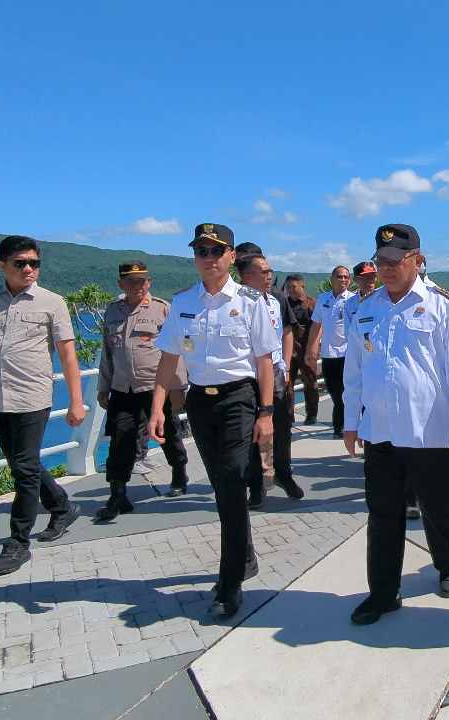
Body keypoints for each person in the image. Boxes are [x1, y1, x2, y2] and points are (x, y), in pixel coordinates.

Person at [343, 223, 449, 625]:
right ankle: (382, 593)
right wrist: (351, 422)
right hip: (380, 432)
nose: (385, 268)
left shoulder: (441, 305)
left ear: (416, 260)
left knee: (440, 508)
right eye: (379, 260)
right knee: (382, 514)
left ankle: (448, 565)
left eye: (394, 260)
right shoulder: (366, 309)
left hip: (430, 431)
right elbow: (355, 372)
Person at [150, 222, 278, 618]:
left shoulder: (251, 301)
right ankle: (246, 554)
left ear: (230, 257)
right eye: (201, 252)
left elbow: (264, 360)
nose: (207, 259)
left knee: (230, 485)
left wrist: (267, 413)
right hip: (199, 403)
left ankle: (229, 583)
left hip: (239, 398)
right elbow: (170, 357)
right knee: (226, 486)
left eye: (215, 251)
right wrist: (157, 408)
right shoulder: (183, 302)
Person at [0, 235, 85, 577]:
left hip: (33, 397)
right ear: (2, 266)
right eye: (20, 263)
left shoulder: (52, 302)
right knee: (23, 463)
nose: (28, 269)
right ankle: (62, 506)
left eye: (34, 263)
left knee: (22, 469)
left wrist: (76, 401)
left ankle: (17, 543)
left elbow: (68, 354)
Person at [95, 262, 189, 523]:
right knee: (119, 439)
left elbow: (176, 350)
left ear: (149, 283)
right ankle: (117, 494)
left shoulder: (162, 309)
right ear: (121, 284)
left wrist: (178, 386)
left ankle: (179, 473)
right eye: (131, 281)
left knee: (168, 432)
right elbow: (107, 353)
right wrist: (104, 387)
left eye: (142, 281)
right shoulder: (113, 311)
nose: (137, 286)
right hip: (123, 388)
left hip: (156, 386)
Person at [235, 242, 305, 506]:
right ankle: (256, 485)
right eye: (262, 271)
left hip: (275, 371)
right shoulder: (237, 299)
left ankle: (284, 475)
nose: (268, 275)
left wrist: (285, 366)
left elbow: (288, 331)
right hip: (248, 375)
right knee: (253, 433)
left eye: (269, 270)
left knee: (283, 427)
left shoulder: (278, 298)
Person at [305, 265, 354, 438]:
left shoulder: (353, 300)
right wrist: (312, 347)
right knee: (334, 393)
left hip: (348, 354)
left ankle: (340, 426)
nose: (343, 280)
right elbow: (316, 325)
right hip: (328, 354)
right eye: (339, 276)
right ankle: (342, 425)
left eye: (346, 277)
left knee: (346, 393)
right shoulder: (323, 299)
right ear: (332, 279)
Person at [284, 275, 319, 424]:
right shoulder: (284, 304)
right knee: (287, 385)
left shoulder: (312, 304)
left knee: (310, 383)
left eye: (293, 287)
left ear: (302, 286)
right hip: (288, 351)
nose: (290, 290)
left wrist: (313, 349)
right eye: (288, 287)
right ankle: (288, 416)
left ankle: (311, 414)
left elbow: (317, 328)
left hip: (306, 349)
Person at [344, 261, 378, 333]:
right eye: (366, 277)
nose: (370, 280)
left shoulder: (385, 300)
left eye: (373, 276)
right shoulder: (350, 303)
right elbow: (348, 332)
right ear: (356, 280)